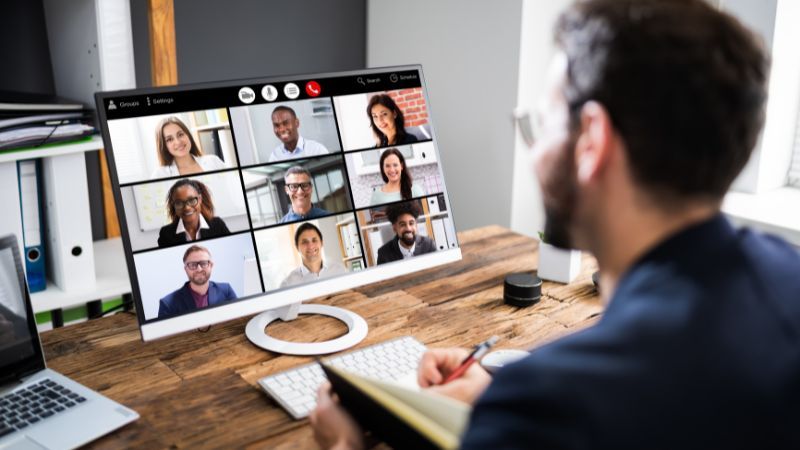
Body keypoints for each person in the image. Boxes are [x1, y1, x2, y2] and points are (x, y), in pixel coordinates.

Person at [310, 0, 800, 448]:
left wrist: (344, 446)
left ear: (593, 141)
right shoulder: (788, 277)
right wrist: (495, 392)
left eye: (544, 124)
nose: (535, 152)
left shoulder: (550, 404)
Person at [157, 245, 237, 319]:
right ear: (186, 269)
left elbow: (237, 319)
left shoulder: (226, 290)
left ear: (211, 265)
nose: (199, 269)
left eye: (204, 263)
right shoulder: (167, 304)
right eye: (192, 265)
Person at [157, 179, 230, 247]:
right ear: (174, 205)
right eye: (179, 203)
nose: (187, 207)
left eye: (192, 200)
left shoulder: (217, 225)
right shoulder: (166, 233)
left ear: (200, 199)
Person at [150, 116, 227, 178]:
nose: (178, 142)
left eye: (180, 134)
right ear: (164, 146)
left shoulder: (213, 161)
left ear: (188, 135)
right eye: (169, 139)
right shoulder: (160, 174)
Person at [280, 222, 347, 288]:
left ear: (321, 243)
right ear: (297, 247)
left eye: (314, 240)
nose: (310, 246)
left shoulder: (340, 271)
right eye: (304, 242)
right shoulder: (288, 284)